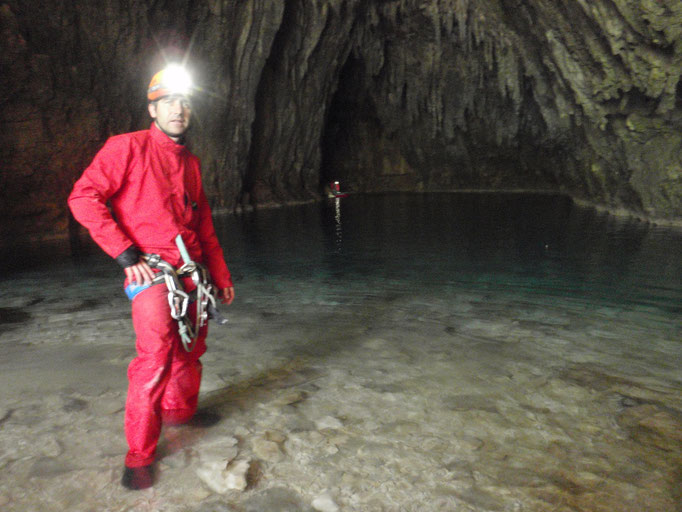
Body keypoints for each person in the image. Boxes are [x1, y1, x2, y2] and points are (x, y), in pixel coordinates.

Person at [68, 64, 235, 490]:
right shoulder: (126, 147)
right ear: (152, 108)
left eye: (184, 102)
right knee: (154, 360)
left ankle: (181, 414)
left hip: (192, 274)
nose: (178, 109)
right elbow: (83, 198)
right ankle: (139, 455)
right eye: (168, 102)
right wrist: (125, 253)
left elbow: (204, 226)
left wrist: (219, 273)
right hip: (152, 272)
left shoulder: (190, 163)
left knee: (192, 349)